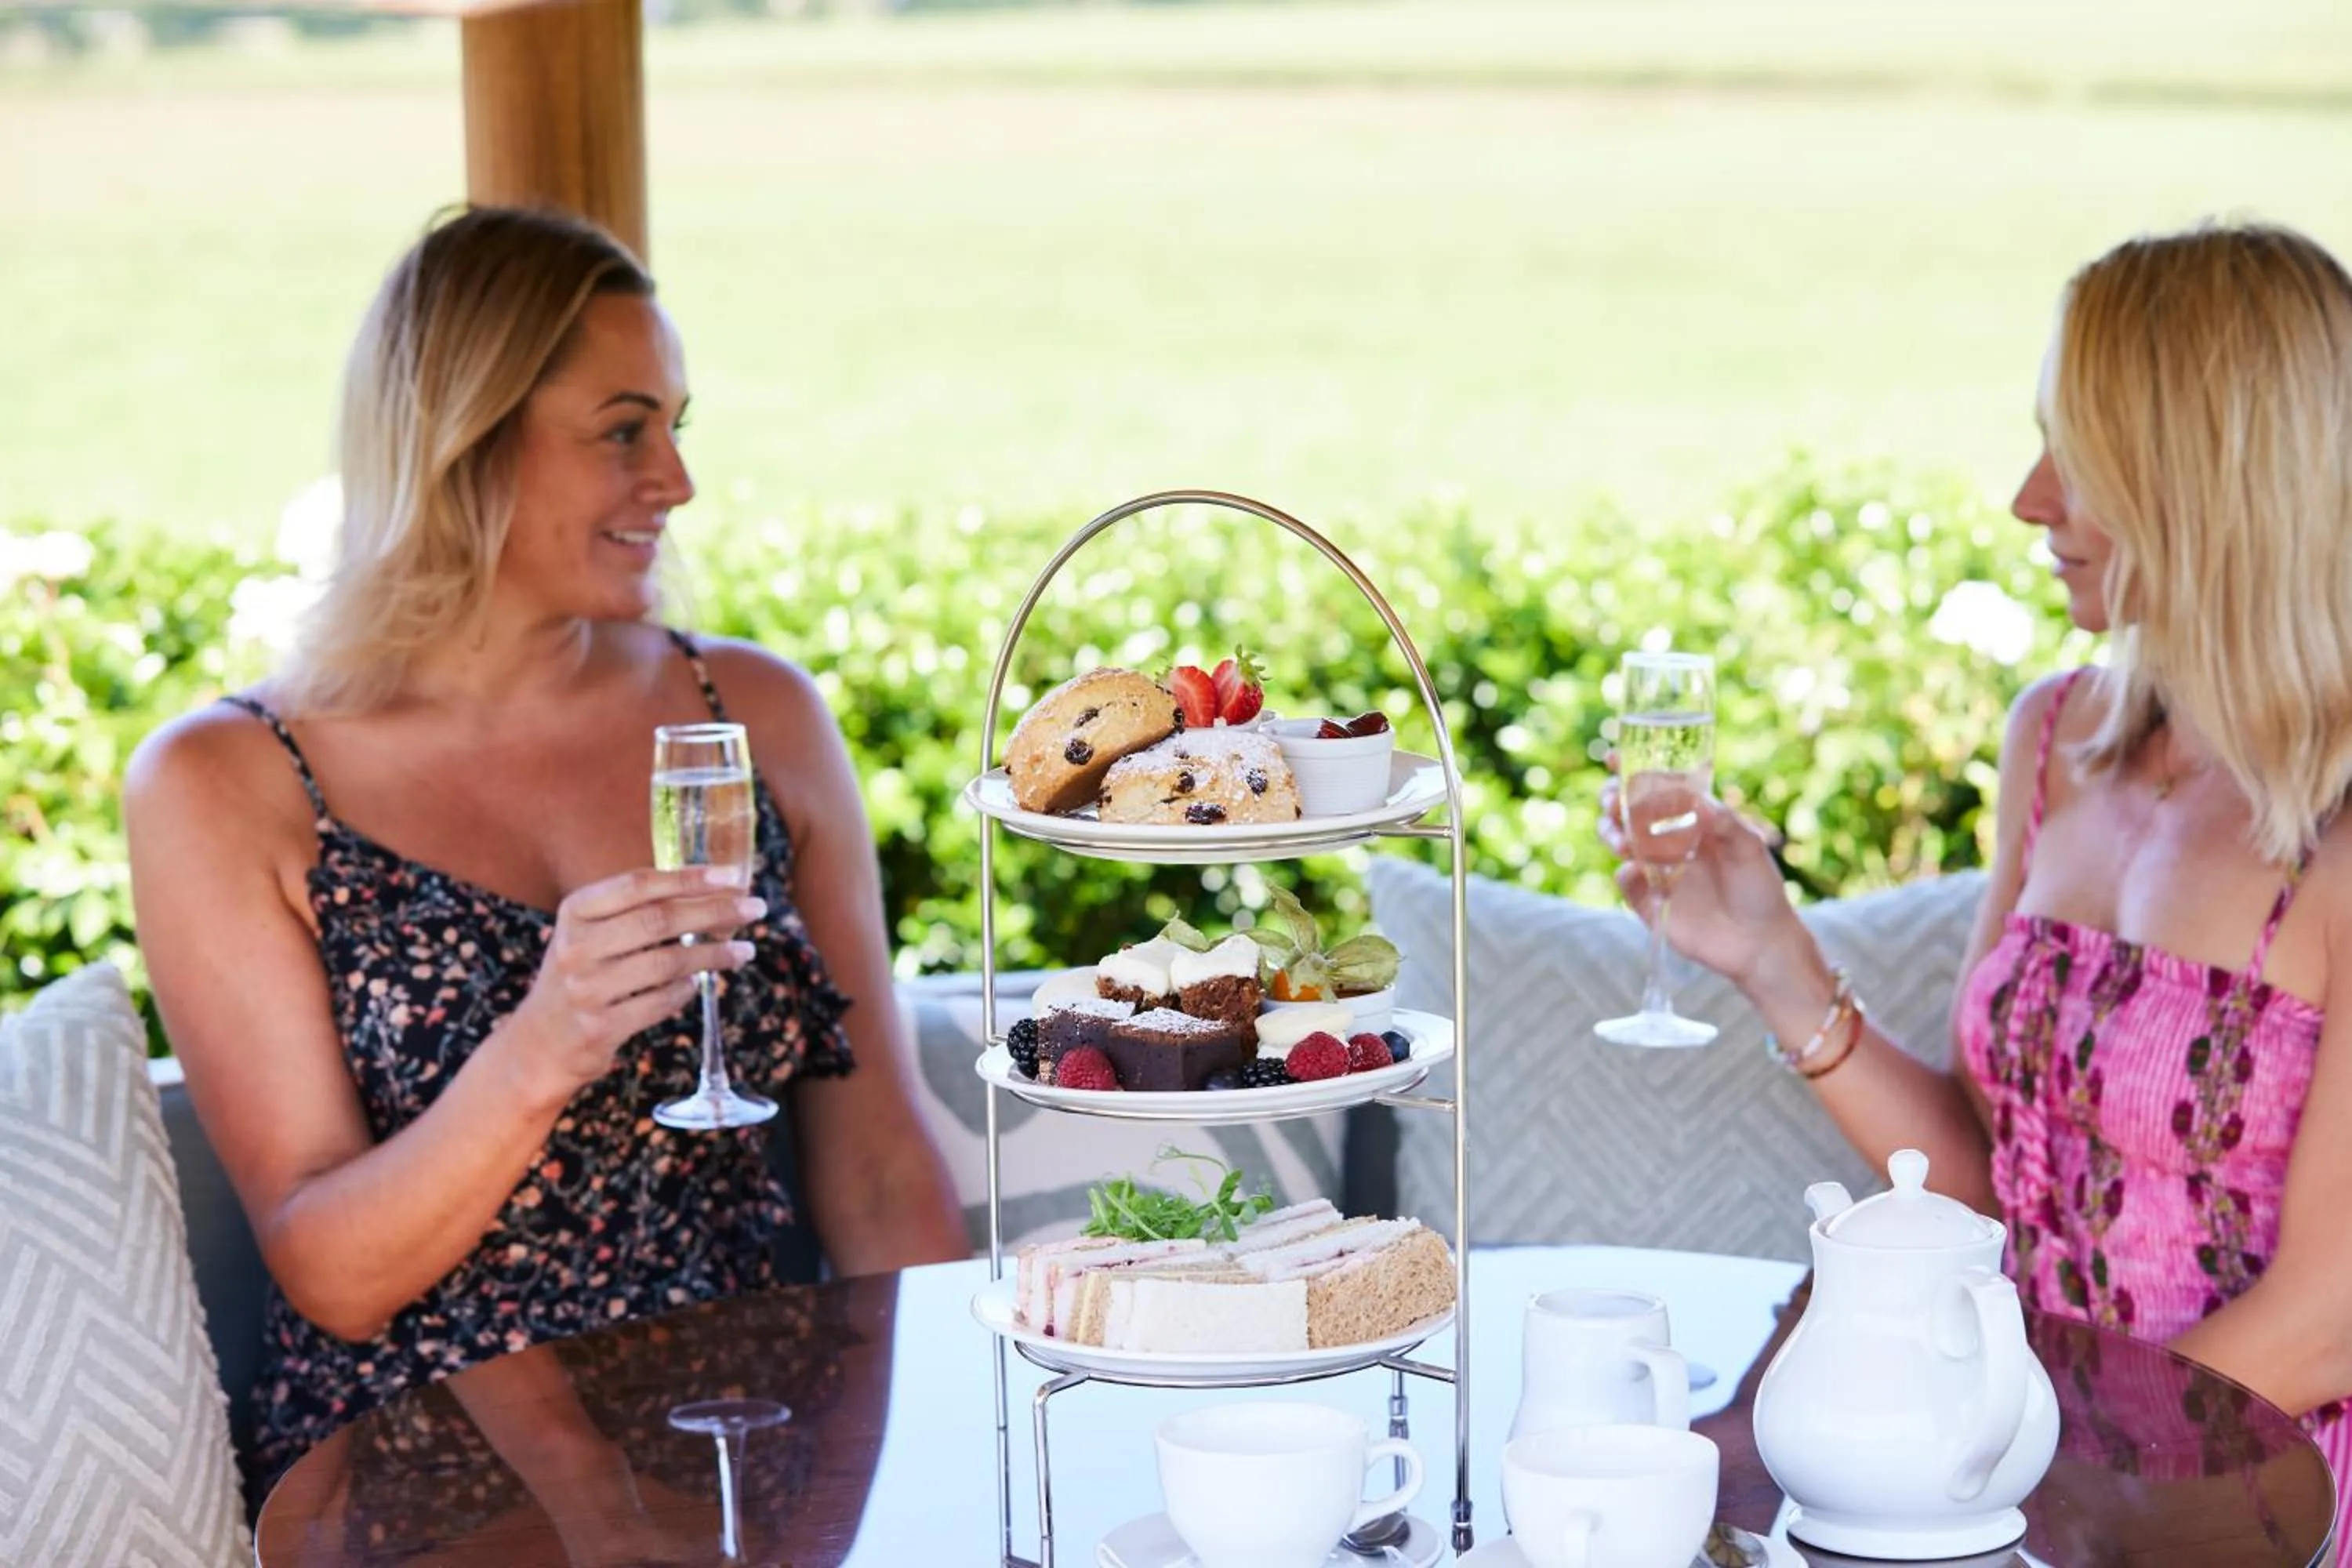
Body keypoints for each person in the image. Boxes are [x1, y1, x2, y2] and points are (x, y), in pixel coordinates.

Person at [125, 205, 969, 1510]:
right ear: (464, 439)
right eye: (623, 430)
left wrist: (918, 1481)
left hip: (738, 1439)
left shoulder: (749, 717)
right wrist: (547, 1042)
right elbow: (334, 1274)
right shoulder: (227, 784)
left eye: (677, 427)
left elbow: (875, 1171)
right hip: (406, 1474)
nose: (676, 482)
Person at [1602, 220, 2352, 1550]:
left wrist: (2038, 1486)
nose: (2029, 499)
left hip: (2248, 1499)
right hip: (2016, 1472)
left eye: (2081, 454)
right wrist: (1776, 962)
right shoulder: (2056, 738)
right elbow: (1987, 1184)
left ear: (2213, 481)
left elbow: (2326, 1318)